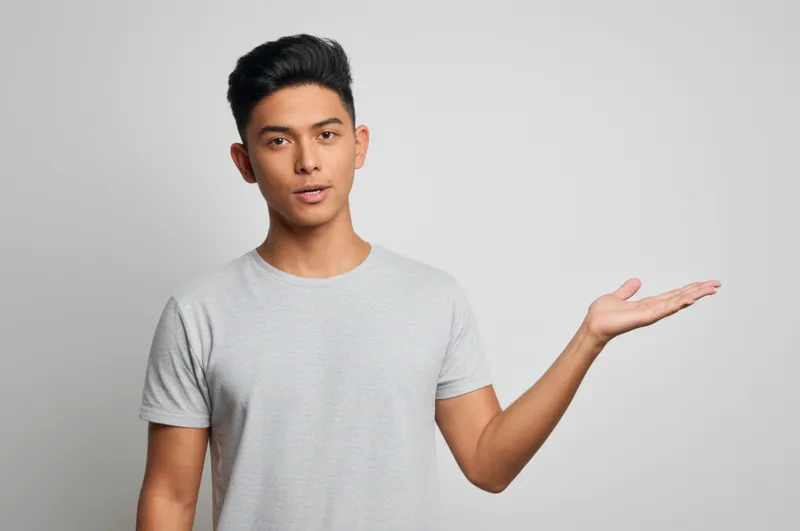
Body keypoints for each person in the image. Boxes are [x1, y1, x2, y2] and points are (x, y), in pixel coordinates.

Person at [135, 34, 721, 531]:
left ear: (359, 146)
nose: (307, 160)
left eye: (327, 134)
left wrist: (588, 338)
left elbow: (489, 464)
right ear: (245, 162)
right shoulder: (199, 313)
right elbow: (170, 497)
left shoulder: (430, 298)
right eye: (279, 140)